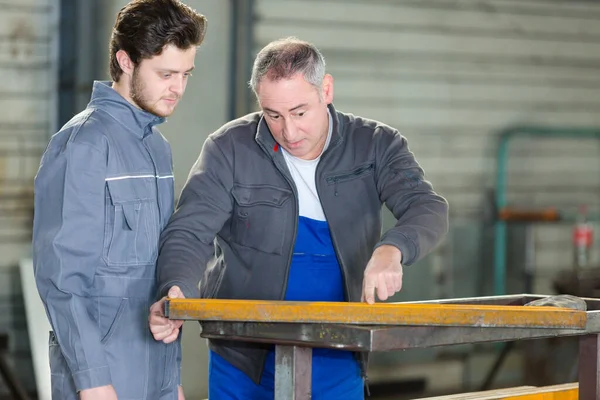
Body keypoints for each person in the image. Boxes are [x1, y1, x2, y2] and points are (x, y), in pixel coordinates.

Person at [149, 37, 449, 399]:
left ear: (326, 89)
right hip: (242, 355)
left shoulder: (375, 145)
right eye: (273, 115)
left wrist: (393, 249)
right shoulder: (229, 148)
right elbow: (189, 231)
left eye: (299, 112)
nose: (288, 132)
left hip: (337, 352)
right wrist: (176, 287)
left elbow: (427, 207)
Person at [32, 1, 206, 399]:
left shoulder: (157, 149)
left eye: (185, 75)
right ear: (126, 62)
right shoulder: (84, 145)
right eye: (165, 74)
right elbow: (62, 280)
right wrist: (93, 381)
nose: (177, 88)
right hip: (101, 380)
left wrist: (170, 382)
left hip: (155, 375)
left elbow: (153, 272)